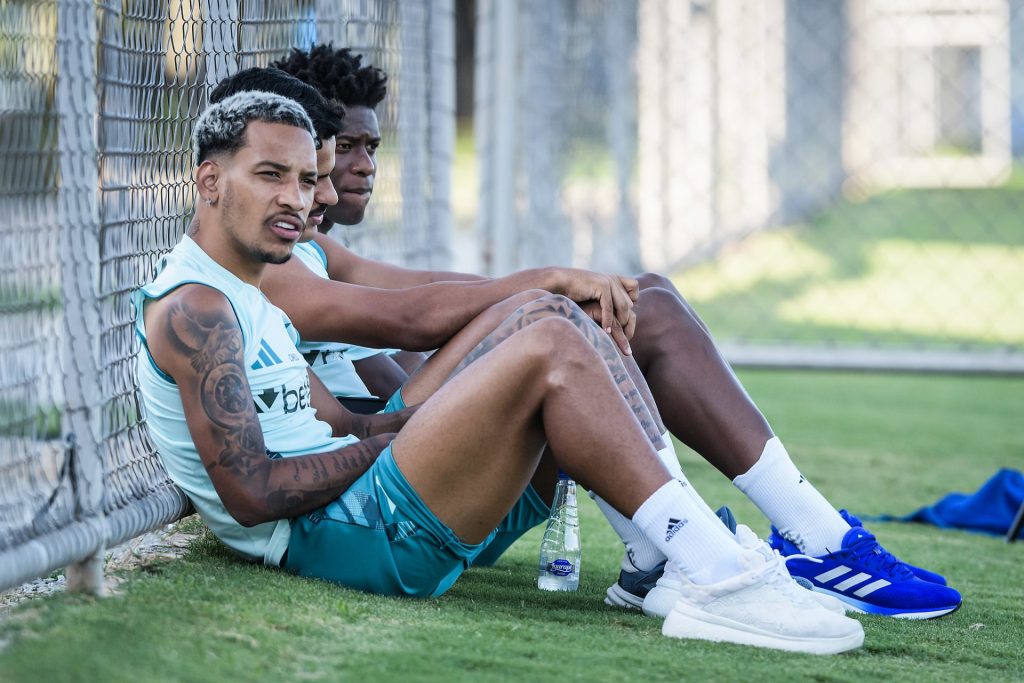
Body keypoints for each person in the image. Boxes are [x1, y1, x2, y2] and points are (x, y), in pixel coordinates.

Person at [134, 90, 865, 654]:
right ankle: (715, 575)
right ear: (208, 180)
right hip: (346, 537)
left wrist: (414, 424)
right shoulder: (195, 308)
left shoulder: (251, 283)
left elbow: (331, 418)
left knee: (550, 313)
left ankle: (683, 558)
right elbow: (254, 493)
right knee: (549, 341)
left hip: (365, 499)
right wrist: (391, 444)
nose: (296, 199)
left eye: (301, 179)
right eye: (271, 176)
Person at [267, 45, 963, 620]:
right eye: (338, 151)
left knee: (643, 300)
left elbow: (427, 306)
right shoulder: (267, 267)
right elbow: (412, 325)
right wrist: (547, 291)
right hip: (406, 485)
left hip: (444, 459)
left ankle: (811, 534)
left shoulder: (321, 252)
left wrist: (553, 290)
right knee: (559, 319)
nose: (351, 171)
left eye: (365, 147)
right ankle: (680, 546)